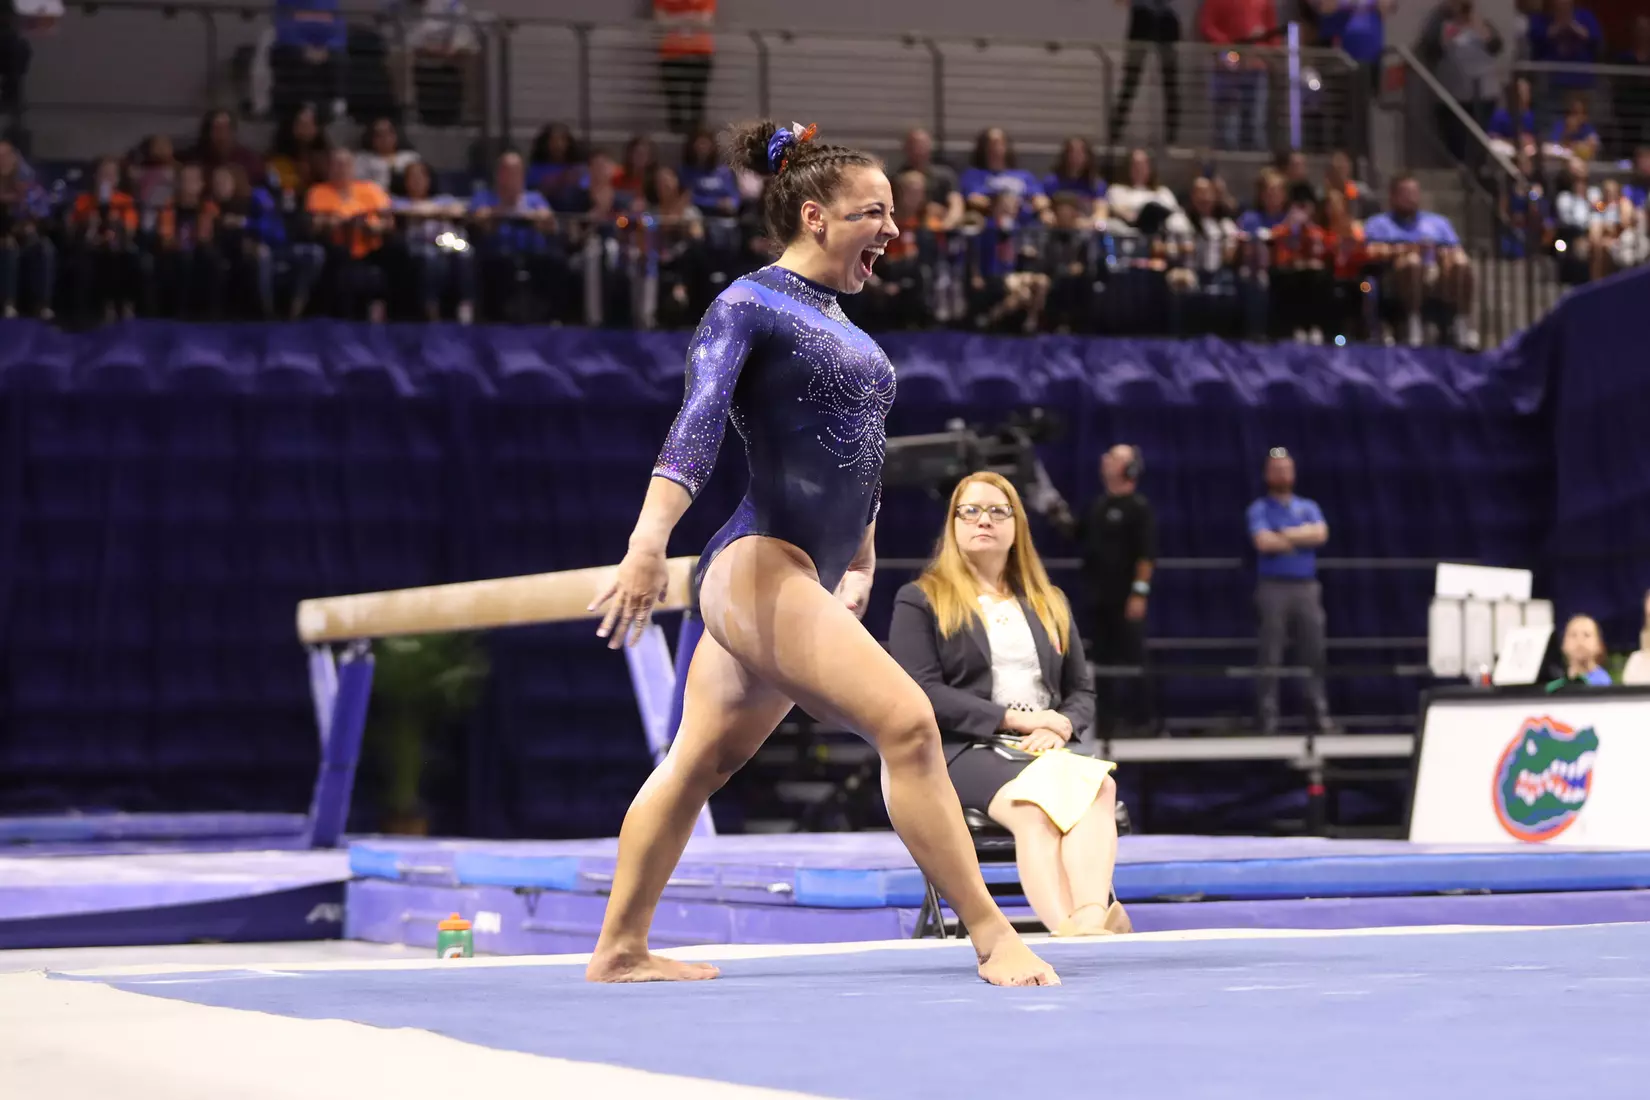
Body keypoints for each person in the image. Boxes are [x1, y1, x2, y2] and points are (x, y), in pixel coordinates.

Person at [586, 119, 1058, 988]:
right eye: (874, 212)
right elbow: (696, 426)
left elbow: (856, 455)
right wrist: (647, 543)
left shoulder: (836, 318)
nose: (893, 230)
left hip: (801, 572)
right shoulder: (749, 304)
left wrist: (863, 559)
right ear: (815, 216)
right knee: (908, 724)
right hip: (756, 560)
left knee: (698, 762)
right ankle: (994, 936)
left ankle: (619, 950)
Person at [889, 472, 1130, 938]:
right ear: (953, 524)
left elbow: (1081, 691)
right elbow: (921, 691)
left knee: (1099, 787)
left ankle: (1087, 920)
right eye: (971, 511)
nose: (985, 520)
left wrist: (1059, 726)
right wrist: (1017, 719)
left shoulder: (1050, 602)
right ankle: (1073, 928)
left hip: (1043, 748)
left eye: (998, 511)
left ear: (1017, 526)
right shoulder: (920, 600)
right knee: (1035, 807)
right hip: (965, 750)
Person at [1045, 444, 1158, 737]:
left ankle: (1145, 723)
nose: (1105, 460)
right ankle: (1106, 724)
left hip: (1126, 599)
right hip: (1097, 598)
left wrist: (1139, 593)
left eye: (1115, 458)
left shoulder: (1138, 508)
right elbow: (1076, 532)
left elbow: (1146, 557)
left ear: (1129, 468)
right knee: (1100, 664)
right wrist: (1054, 510)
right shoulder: (1097, 506)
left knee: (1134, 660)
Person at [1247, 447, 1335, 735]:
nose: (1282, 474)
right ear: (1267, 474)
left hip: (1307, 587)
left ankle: (1318, 714)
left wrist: (1283, 534)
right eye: (1277, 469)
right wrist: (1301, 535)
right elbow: (1263, 542)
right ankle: (1267, 718)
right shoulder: (1259, 509)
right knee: (1270, 653)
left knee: (1313, 652)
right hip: (1272, 588)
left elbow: (1320, 534)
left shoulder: (1308, 506)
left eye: (1286, 469)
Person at [1545, 613, 1612, 690]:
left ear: (1599, 645)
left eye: (1587, 635)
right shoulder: (1555, 687)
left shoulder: (1604, 683)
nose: (1580, 641)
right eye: (1573, 635)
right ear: (1563, 645)